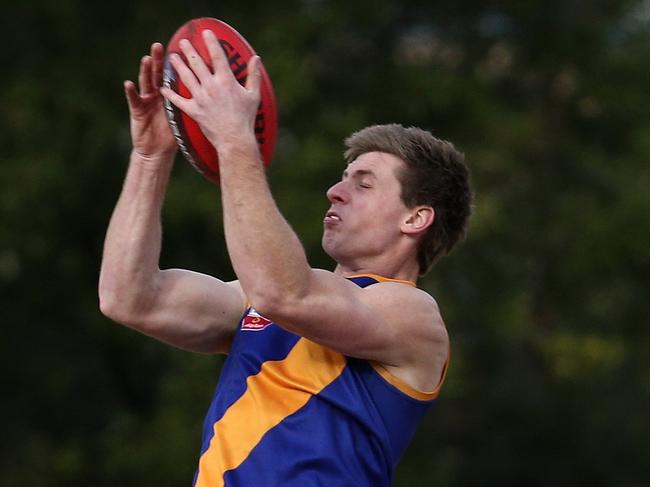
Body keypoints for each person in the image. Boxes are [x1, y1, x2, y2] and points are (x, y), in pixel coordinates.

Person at [99, 31, 472, 487]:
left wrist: (236, 139)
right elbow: (128, 298)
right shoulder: (261, 300)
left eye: (364, 183)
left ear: (416, 218)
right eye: (343, 178)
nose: (335, 191)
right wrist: (150, 155)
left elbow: (283, 293)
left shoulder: (411, 314)